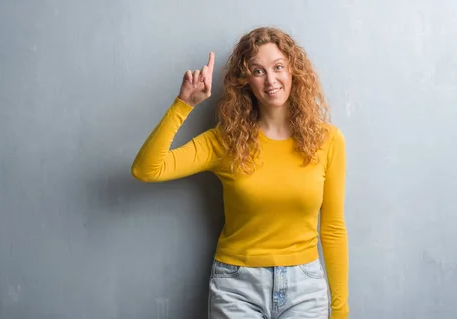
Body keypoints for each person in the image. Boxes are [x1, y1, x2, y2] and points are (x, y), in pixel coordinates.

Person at [131, 27, 348, 319]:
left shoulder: (328, 140)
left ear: (293, 71)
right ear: (246, 81)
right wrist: (184, 105)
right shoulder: (224, 141)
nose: (271, 80)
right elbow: (147, 169)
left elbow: (332, 230)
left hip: (305, 289)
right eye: (258, 71)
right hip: (237, 287)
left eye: (278, 67)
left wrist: (340, 310)